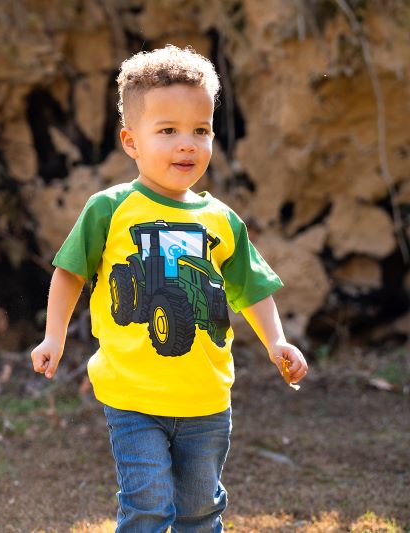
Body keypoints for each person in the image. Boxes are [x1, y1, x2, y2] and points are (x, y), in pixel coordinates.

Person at [30, 45, 308, 532]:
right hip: (134, 396)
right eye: (168, 131)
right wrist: (54, 336)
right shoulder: (110, 209)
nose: (187, 145)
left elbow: (249, 287)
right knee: (149, 504)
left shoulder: (221, 220)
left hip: (206, 399)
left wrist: (276, 341)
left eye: (200, 131)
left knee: (200, 508)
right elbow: (70, 273)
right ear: (131, 141)